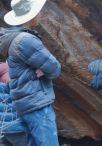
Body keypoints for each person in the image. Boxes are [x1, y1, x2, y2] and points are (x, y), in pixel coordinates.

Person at [1, 0, 61, 145]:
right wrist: (47, 70)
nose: (40, 14)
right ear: (30, 16)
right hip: (36, 102)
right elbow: (54, 68)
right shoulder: (25, 40)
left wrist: (44, 69)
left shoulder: (14, 37)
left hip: (25, 101)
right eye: (37, 11)